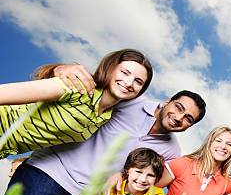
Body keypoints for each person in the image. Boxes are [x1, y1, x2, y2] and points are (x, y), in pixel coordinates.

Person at [7, 67, 206, 195]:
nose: (179, 117)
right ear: (168, 101)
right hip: (50, 174)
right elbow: (76, 106)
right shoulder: (130, 102)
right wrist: (61, 69)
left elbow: (145, 184)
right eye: (179, 107)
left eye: (188, 118)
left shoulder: (171, 151)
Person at [0, 49, 153, 159]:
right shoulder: (77, 86)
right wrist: (60, 68)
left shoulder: (105, 116)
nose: (129, 83)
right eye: (125, 73)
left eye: (138, 81)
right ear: (111, 69)